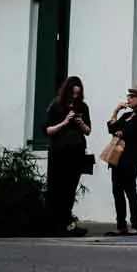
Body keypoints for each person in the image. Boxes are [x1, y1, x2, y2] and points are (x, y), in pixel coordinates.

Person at [44, 75, 91, 236]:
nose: (76, 97)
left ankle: (67, 223)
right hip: (59, 152)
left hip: (76, 152)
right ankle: (53, 224)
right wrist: (64, 122)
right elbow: (47, 130)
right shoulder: (56, 106)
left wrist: (80, 122)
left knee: (70, 189)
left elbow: (88, 131)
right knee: (57, 187)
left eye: (78, 94)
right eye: (73, 94)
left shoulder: (83, 107)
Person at [106, 84, 137, 235]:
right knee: (117, 191)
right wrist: (116, 111)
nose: (129, 100)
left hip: (131, 158)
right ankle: (121, 225)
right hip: (118, 157)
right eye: (129, 97)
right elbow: (112, 129)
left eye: (132, 97)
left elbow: (130, 133)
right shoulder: (127, 115)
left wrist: (120, 132)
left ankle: (136, 225)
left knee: (130, 191)